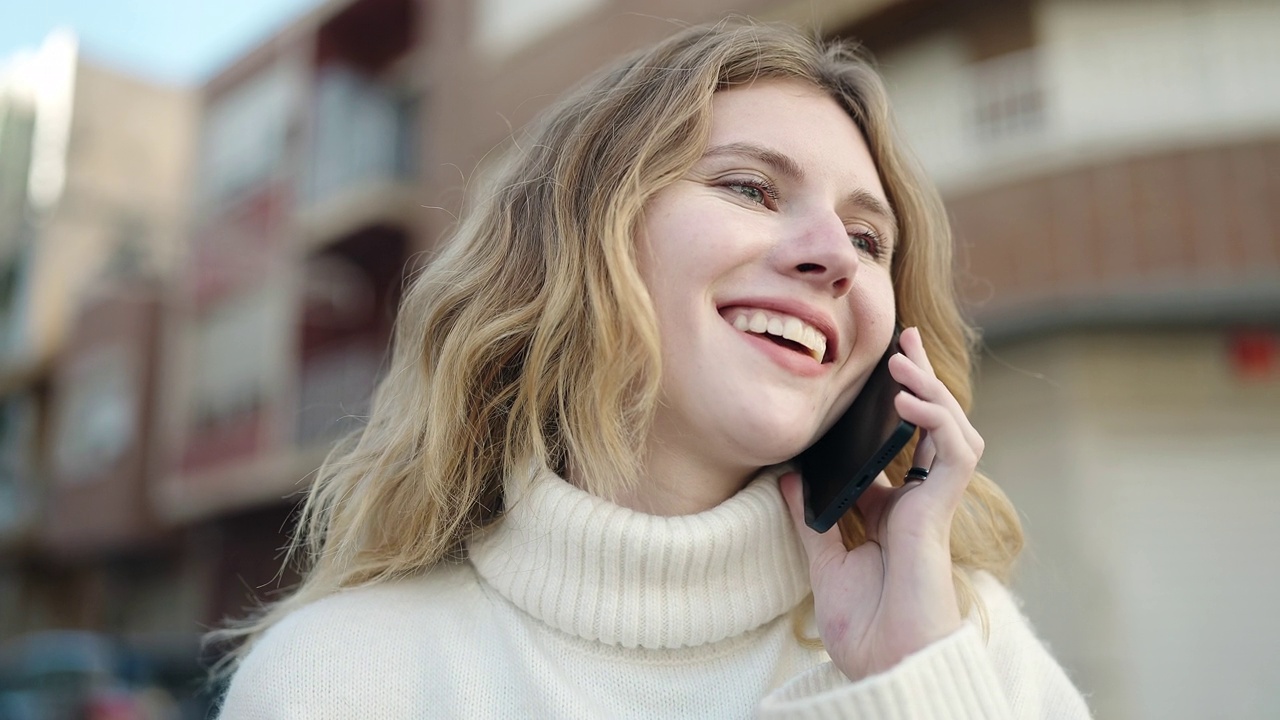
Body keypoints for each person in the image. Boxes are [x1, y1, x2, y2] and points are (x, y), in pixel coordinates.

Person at [212, 21, 1092, 718]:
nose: (835, 257)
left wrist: (912, 687)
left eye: (869, 240)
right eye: (749, 188)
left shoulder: (967, 646)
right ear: (575, 241)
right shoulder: (335, 681)